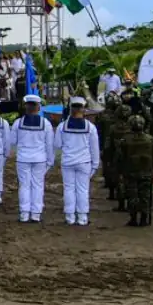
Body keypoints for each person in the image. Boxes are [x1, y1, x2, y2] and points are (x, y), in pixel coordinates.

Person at [8, 95, 53, 223]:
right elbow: (49, 144)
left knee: (24, 186)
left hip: (23, 158)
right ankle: (35, 214)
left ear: (26, 107)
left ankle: (24, 213)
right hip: (39, 159)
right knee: (38, 185)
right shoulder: (46, 123)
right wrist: (50, 161)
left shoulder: (18, 123)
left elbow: (12, 141)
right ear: (38, 108)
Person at [56, 96, 101, 226]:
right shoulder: (90, 127)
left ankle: (70, 217)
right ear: (83, 109)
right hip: (84, 162)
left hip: (68, 162)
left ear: (70, 109)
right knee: (82, 189)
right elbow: (94, 148)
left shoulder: (62, 126)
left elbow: (58, 144)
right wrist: (95, 164)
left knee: (69, 189)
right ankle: (82, 218)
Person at [119, 115, 153, 227]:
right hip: (147, 172)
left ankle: (133, 218)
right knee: (145, 195)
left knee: (132, 195)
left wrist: (120, 171)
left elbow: (120, 157)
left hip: (130, 172)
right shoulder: (150, 139)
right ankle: (144, 218)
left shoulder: (125, 139)